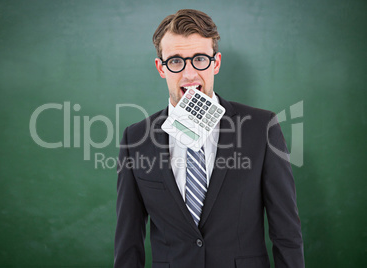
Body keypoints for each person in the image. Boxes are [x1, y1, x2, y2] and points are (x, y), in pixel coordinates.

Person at [114, 9, 304, 268]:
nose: (190, 74)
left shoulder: (261, 128)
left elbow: (286, 231)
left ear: (216, 63)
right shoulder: (135, 139)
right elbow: (128, 241)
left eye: (200, 59)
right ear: (161, 68)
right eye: (176, 61)